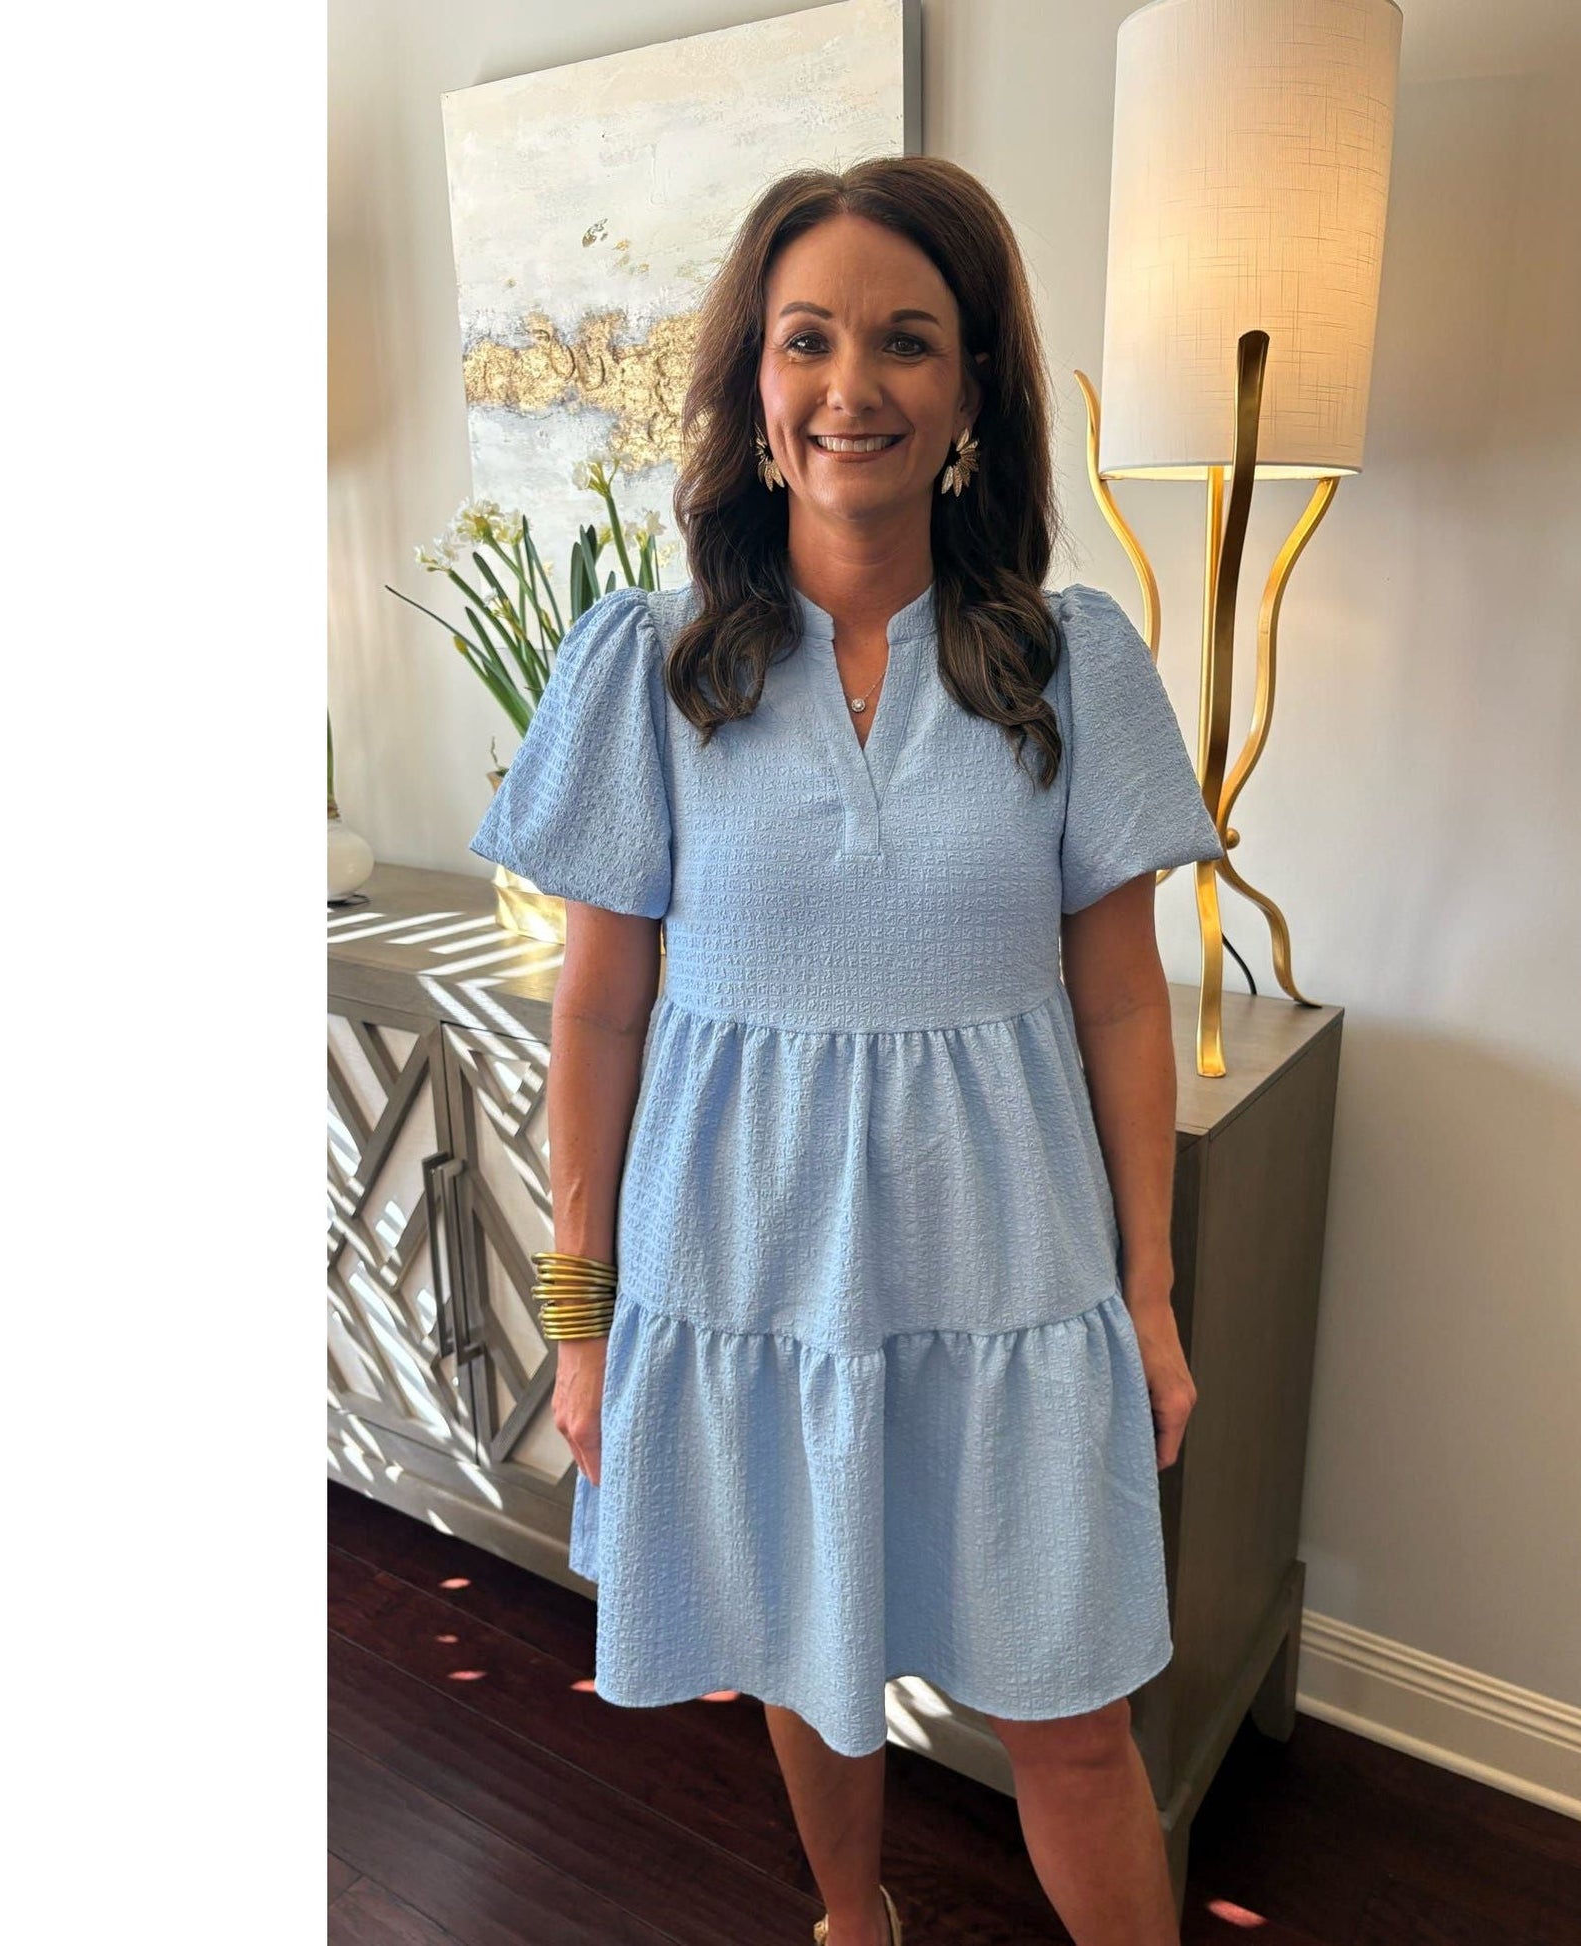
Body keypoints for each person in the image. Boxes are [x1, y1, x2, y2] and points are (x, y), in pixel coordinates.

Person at [469, 156, 1226, 1946]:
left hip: (1011, 1279)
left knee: (1075, 1718)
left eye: (906, 341)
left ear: (971, 395)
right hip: (742, 1280)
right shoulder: (648, 668)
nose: (850, 385)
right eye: (806, 340)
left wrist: (1151, 1293)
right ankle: (851, 1922)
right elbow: (597, 1009)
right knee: (806, 1662)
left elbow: (1121, 1001)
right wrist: (581, 1315)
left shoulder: (1068, 663)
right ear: (755, 380)